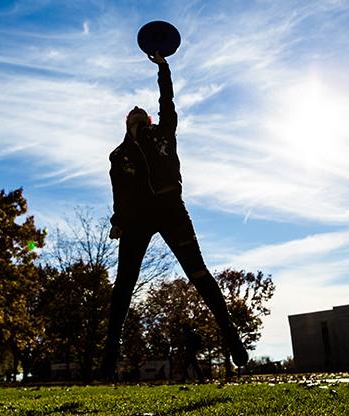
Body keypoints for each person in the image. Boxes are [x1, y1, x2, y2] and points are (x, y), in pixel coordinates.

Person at [101, 50, 248, 380]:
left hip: (171, 210)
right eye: (131, 113)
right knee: (123, 285)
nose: (137, 111)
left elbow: (167, 100)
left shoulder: (164, 133)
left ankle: (231, 335)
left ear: (150, 119)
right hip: (137, 218)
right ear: (126, 124)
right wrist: (118, 222)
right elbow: (118, 193)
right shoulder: (118, 154)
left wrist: (163, 68)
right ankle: (109, 357)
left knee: (198, 273)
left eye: (142, 112)